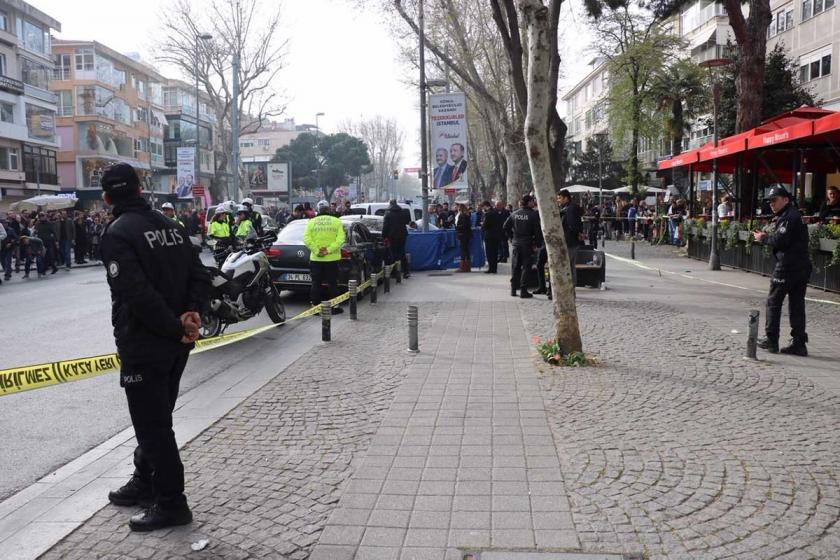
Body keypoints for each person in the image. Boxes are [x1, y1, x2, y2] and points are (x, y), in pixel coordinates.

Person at [98, 163, 209, 531]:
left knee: (154, 428)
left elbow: (136, 294)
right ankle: (144, 482)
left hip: (146, 345)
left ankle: (172, 503)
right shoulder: (172, 227)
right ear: (141, 189)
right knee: (158, 419)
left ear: (107, 197)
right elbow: (200, 275)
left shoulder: (117, 233)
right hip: (176, 346)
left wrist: (174, 328)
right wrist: (191, 314)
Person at [754, 186, 811, 356]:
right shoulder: (791, 215)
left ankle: (771, 340)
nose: (771, 204)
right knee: (796, 304)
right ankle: (799, 343)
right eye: (770, 201)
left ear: (786, 199)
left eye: (775, 200)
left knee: (774, 301)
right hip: (801, 265)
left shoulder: (789, 216)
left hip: (787, 266)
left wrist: (763, 237)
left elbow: (781, 240)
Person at [303, 201, 345, 312]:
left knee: (316, 283)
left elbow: (306, 239)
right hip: (332, 259)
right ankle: (335, 306)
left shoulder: (311, 222)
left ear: (318, 210)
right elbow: (340, 239)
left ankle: (315, 307)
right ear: (328, 209)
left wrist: (317, 251)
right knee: (333, 283)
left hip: (316, 259)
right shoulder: (336, 221)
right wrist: (328, 250)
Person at [503, 195, 541, 298]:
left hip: (516, 244)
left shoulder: (514, 214)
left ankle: (513, 290)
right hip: (527, 245)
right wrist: (537, 244)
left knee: (515, 267)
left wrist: (511, 238)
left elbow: (505, 227)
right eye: (533, 201)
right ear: (528, 202)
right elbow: (537, 232)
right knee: (526, 267)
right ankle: (523, 290)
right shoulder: (533, 215)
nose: (534, 203)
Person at [558, 189, 583, 286]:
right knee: (570, 265)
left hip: (570, 241)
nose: (558, 200)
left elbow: (572, 225)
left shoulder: (570, 209)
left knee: (568, 265)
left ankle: (570, 286)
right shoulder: (569, 208)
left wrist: (575, 233)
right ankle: (571, 286)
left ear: (566, 198)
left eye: (560, 198)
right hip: (572, 240)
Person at [381, 199, 409, 277]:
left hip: (392, 236)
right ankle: (406, 271)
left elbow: (385, 226)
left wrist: (383, 236)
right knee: (402, 253)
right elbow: (407, 221)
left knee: (393, 254)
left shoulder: (388, 214)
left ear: (390, 204)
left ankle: (395, 272)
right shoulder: (402, 212)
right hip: (402, 236)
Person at [481, 201, 504, 274]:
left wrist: (482, 224)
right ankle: (494, 268)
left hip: (489, 235)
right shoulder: (496, 213)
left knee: (489, 253)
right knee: (495, 253)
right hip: (497, 235)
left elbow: (485, 225)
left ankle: (491, 268)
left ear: (485, 206)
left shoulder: (488, 214)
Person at [454, 203, 472, 272]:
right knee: (466, 250)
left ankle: (463, 267)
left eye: (457, 206)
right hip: (466, 235)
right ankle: (468, 267)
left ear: (460, 208)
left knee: (463, 250)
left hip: (463, 235)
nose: (456, 207)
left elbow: (463, 226)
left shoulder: (462, 215)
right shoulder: (467, 215)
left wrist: (457, 227)